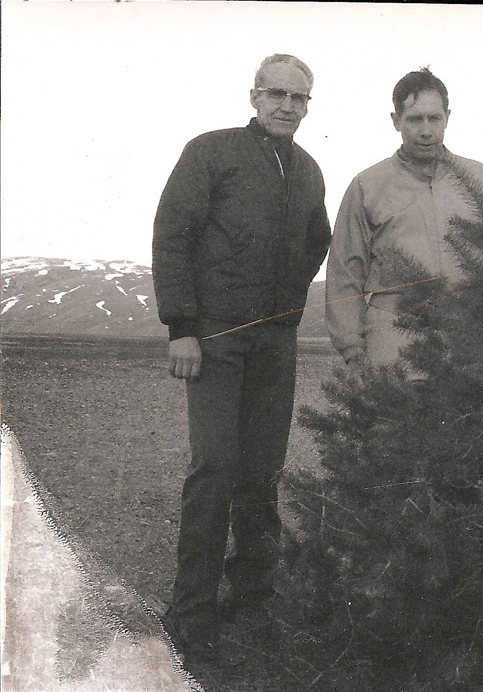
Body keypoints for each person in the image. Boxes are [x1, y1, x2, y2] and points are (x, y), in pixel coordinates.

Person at [152, 54, 330, 662]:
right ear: (254, 96)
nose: (287, 105)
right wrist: (182, 326)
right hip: (215, 340)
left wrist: (285, 308)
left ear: (309, 106)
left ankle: (254, 594)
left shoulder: (308, 170)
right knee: (216, 468)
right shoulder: (211, 152)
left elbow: (317, 243)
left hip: (274, 342)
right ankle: (190, 610)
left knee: (263, 470)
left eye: (299, 97)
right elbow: (173, 232)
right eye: (276, 93)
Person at [325, 68, 483, 370]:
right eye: (414, 119)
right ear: (395, 121)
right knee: (396, 415)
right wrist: (353, 349)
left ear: (448, 117)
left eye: (434, 118)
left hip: (469, 329)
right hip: (394, 330)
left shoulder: (478, 178)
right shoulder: (368, 185)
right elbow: (345, 272)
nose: (425, 130)